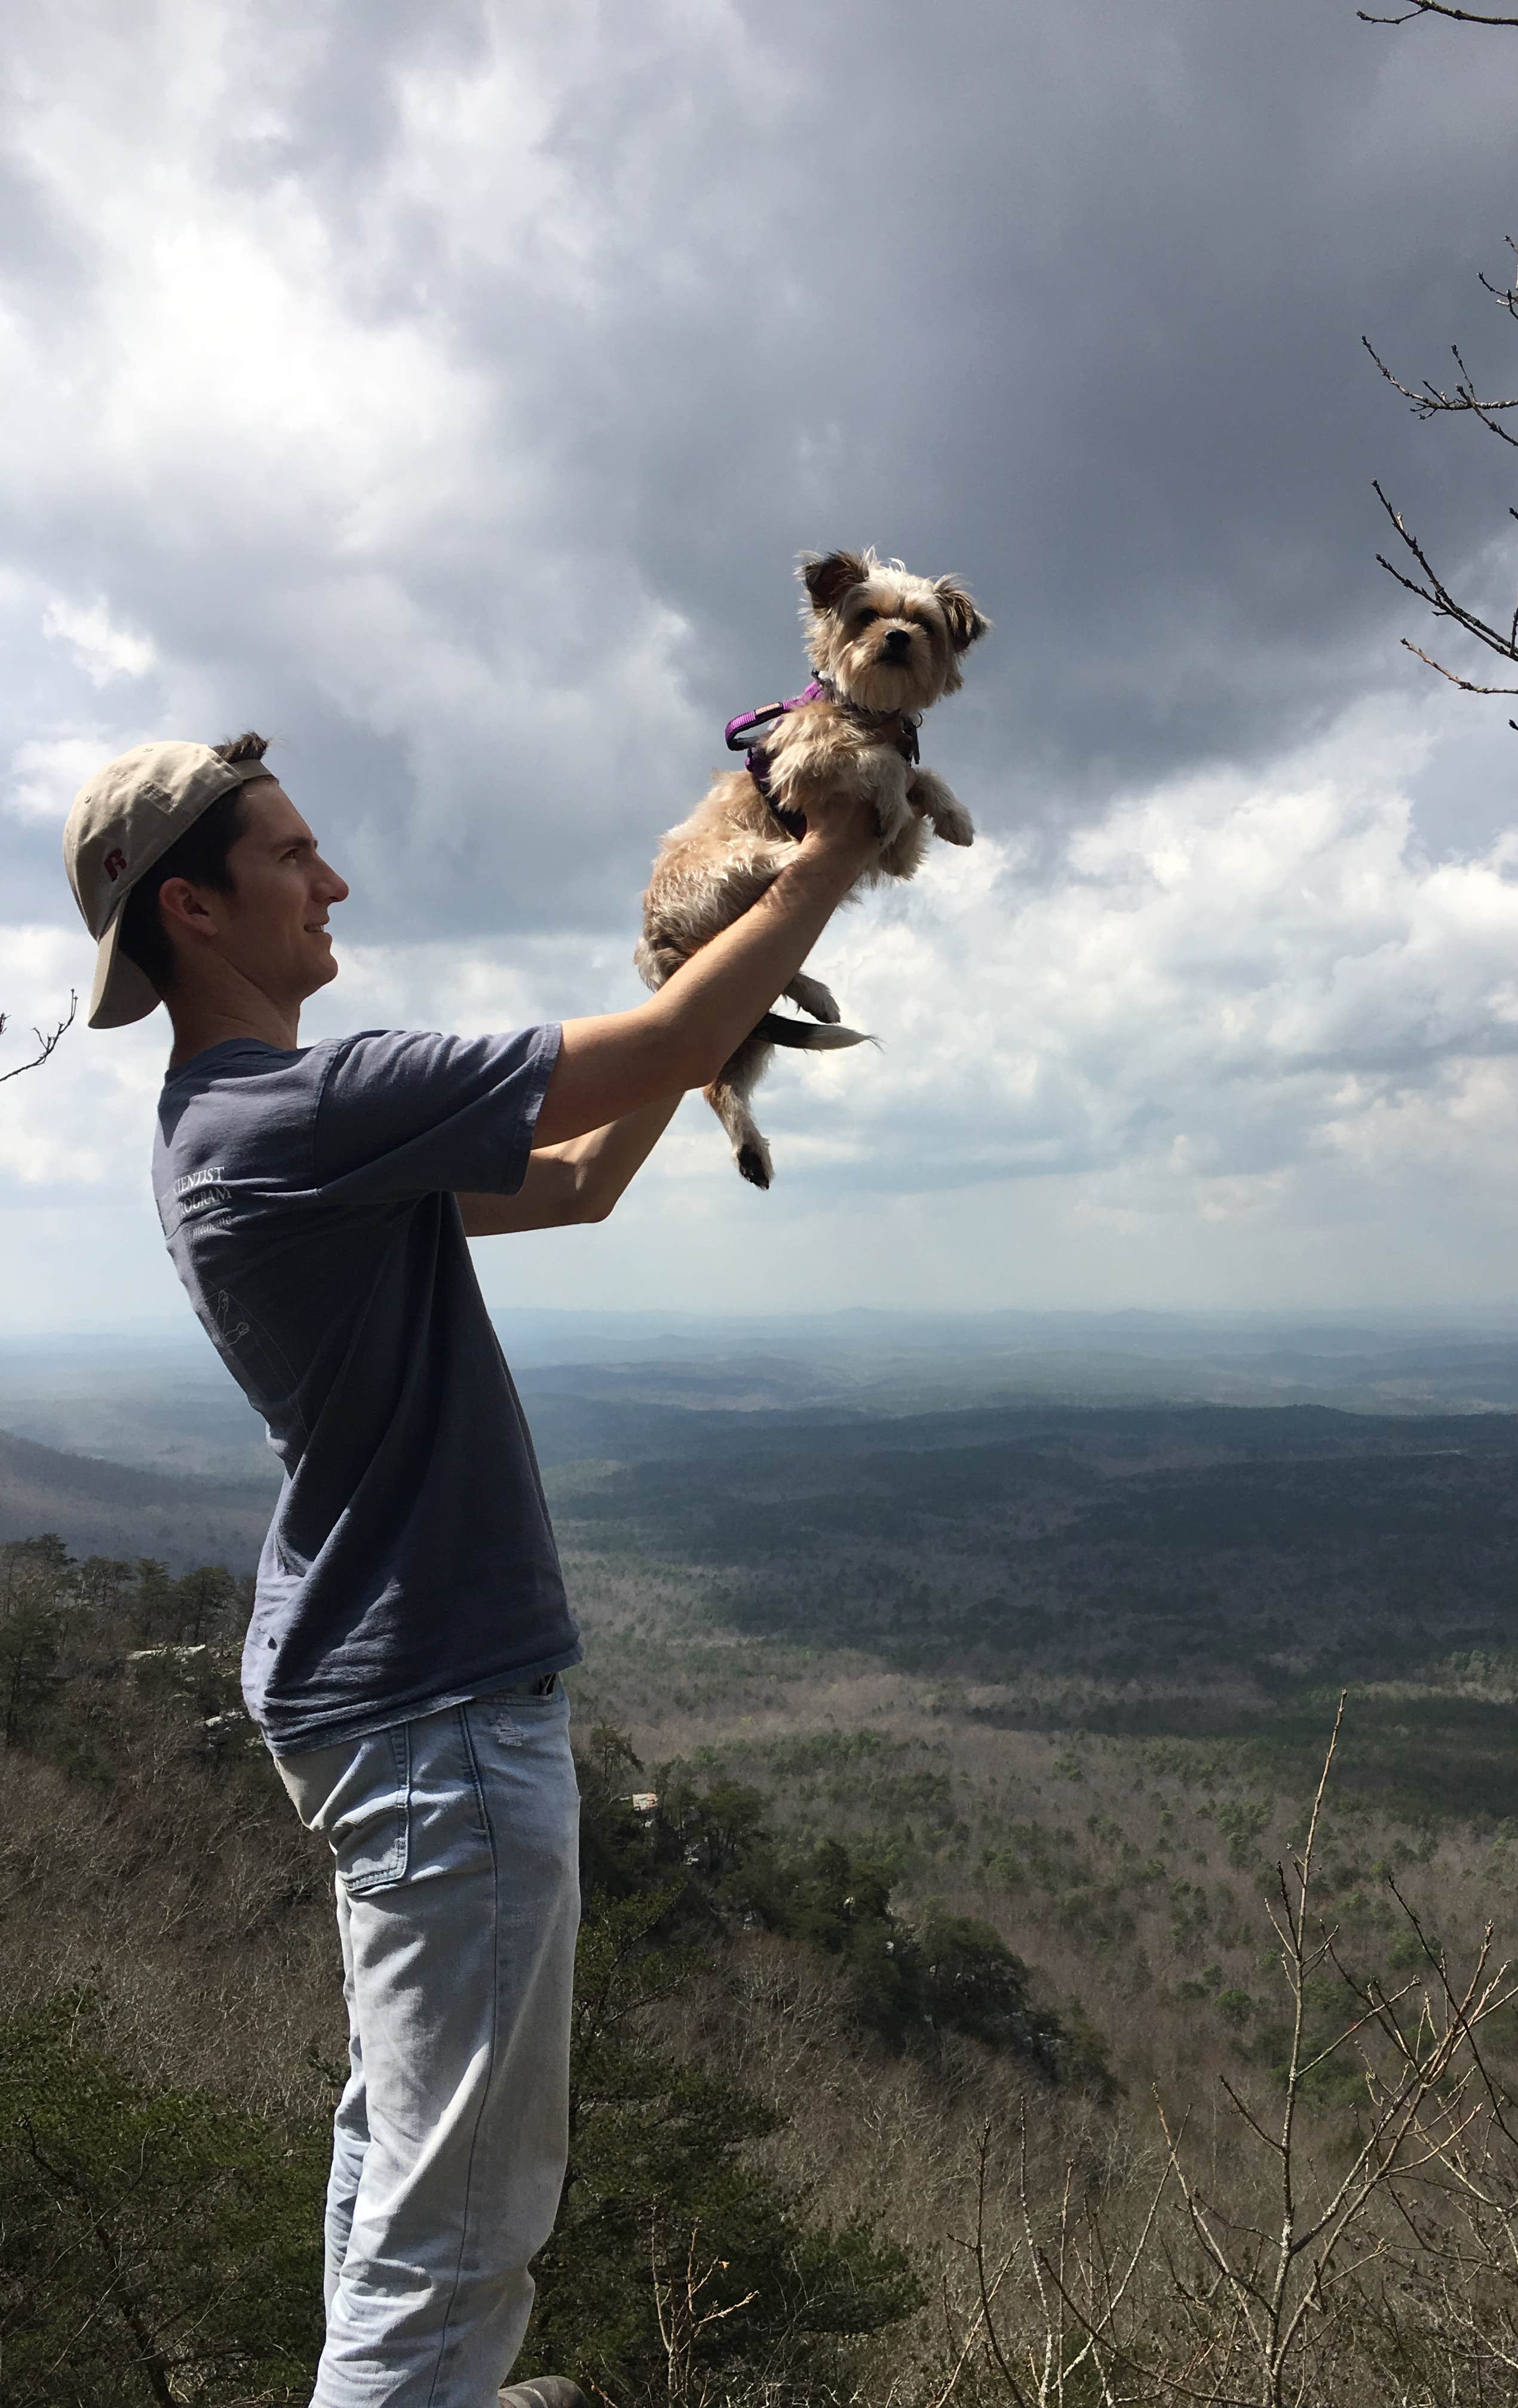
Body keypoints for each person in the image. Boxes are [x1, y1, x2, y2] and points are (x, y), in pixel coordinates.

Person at [62, 733, 883, 2408]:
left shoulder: (242, 1136)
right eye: (296, 855)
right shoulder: (304, 1110)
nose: (336, 878)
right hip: (438, 1712)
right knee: (459, 2240)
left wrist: (696, 1010)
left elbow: (578, 1178)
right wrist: (821, 863)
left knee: (399, 2179)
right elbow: (653, 1046)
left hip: (384, 1701)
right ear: (196, 908)